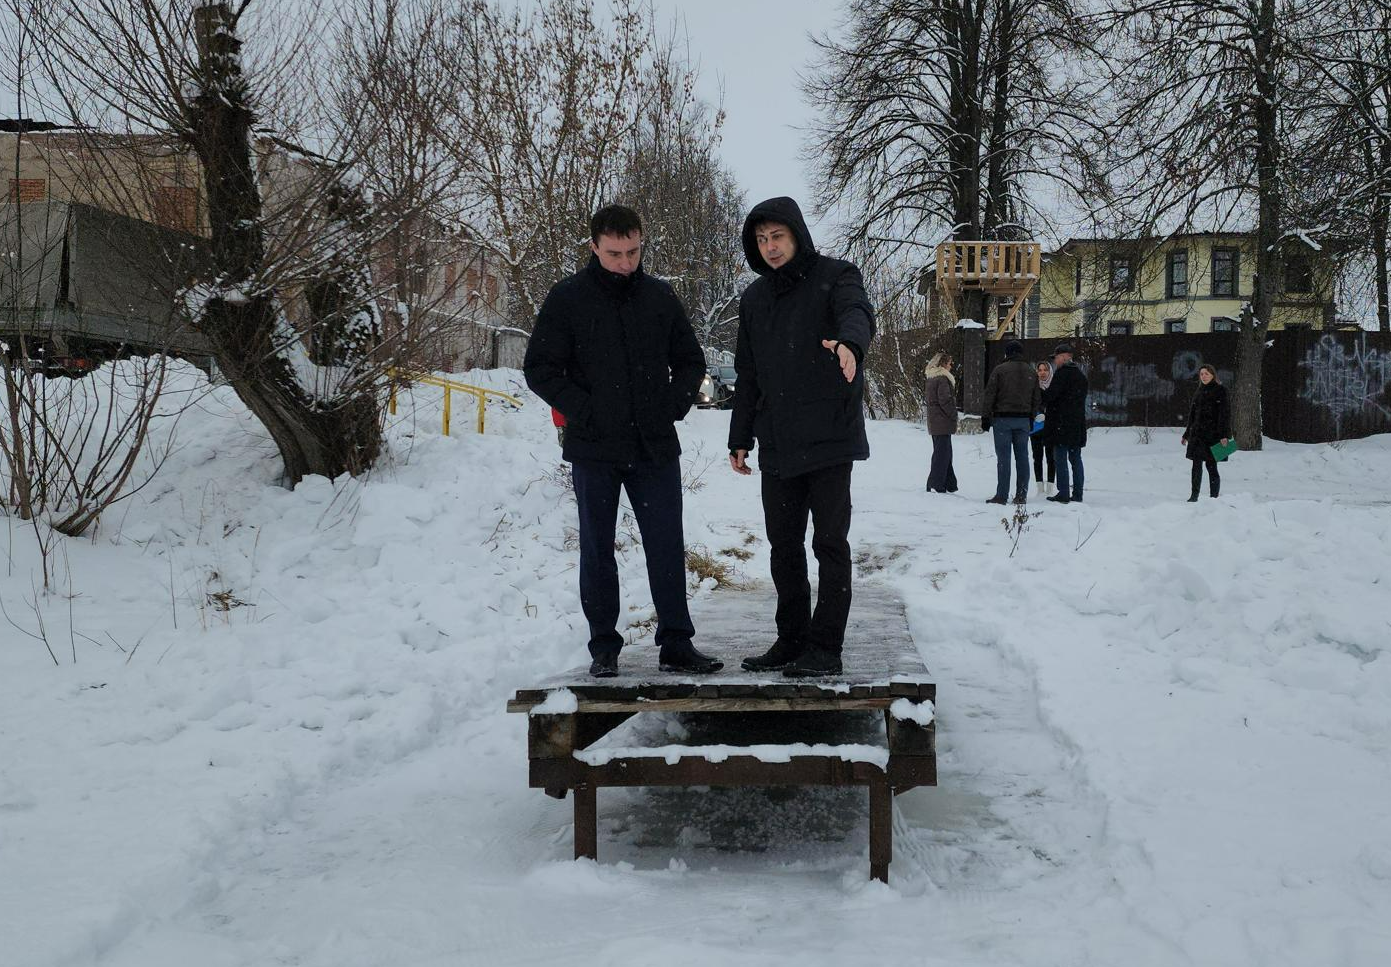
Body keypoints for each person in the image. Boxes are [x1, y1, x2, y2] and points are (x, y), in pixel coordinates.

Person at [524, 204, 722, 678]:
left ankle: (676, 643)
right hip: (594, 448)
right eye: (614, 253)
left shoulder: (659, 297)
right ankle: (603, 647)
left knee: (666, 543)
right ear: (594, 247)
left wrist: (672, 405)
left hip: (654, 445)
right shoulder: (568, 299)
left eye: (633, 251)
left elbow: (692, 362)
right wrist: (586, 410)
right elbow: (539, 369)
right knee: (598, 547)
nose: (625, 262)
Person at [727, 197, 875, 678]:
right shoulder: (753, 300)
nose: (770, 247)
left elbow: (857, 312)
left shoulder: (836, 275)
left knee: (830, 544)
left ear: (797, 235)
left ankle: (825, 647)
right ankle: (791, 639)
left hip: (830, 435)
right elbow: (748, 375)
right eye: (762, 239)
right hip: (779, 441)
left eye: (778, 237)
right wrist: (740, 435)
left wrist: (851, 343)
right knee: (783, 546)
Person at [981, 340, 1041, 505]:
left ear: (1007, 353)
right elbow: (1037, 398)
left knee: (1004, 458)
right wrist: (1031, 417)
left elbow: (990, 395)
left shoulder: (1000, 370)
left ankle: (1002, 495)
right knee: (1023, 458)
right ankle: (1021, 495)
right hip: (1023, 421)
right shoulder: (1031, 372)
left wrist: (985, 417)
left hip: (1002, 419)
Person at [1043, 343, 1089, 504]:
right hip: (1077, 423)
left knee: (1060, 458)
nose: (1055, 361)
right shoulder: (1080, 376)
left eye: (1056, 358)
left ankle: (1063, 493)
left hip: (1061, 423)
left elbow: (1051, 396)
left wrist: (1041, 393)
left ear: (1064, 356)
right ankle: (1078, 494)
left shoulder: (1062, 375)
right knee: (1076, 458)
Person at [1182, 363, 1230, 501]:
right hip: (1197, 435)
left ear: (1213, 375)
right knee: (1196, 466)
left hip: (1214, 435)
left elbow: (1224, 414)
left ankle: (1213, 498)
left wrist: (1224, 435)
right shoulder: (1199, 391)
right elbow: (1193, 415)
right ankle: (1194, 496)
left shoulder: (1221, 390)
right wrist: (1186, 434)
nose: (1203, 376)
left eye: (1206, 374)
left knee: (1211, 466)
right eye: (1201, 374)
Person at [924, 352, 958, 493]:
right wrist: (953, 415)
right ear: (943, 364)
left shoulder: (931, 378)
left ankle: (949, 483)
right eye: (950, 363)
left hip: (935, 421)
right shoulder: (943, 378)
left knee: (943, 452)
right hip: (942, 421)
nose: (951, 366)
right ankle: (936, 483)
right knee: (943, 453)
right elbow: (945, 400)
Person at [1031, 360, 1056, 495]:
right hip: (1035, 428)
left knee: (1051, 457)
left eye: (1045, 370)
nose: (1042, 373)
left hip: (1051, 428)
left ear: (1049, 371)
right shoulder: (1033, 387)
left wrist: (1047, 416)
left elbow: (1058, 407)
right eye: (1039, 370)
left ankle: (1050, 488)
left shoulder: (1055, 386)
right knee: (1037, 457)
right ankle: (1040, 489)